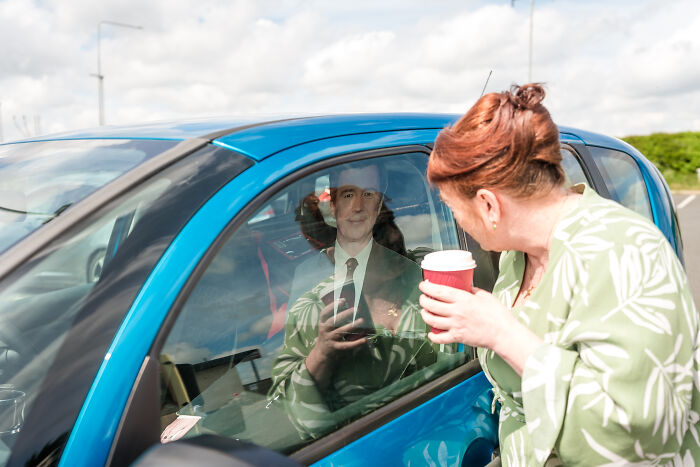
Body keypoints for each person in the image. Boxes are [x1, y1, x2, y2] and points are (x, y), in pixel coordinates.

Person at [419, 83, 700, 465]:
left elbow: (638, 433)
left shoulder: (626, 251)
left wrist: (502, 333)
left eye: (453, 208)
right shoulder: (516, 258)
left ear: (488, 205)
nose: (458, 222)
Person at [270, 162, 451, 439]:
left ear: (379, 205)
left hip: (441, 421)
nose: (357, 206)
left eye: (368, 194)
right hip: (358, 441)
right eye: (347, 194)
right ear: (333, 206)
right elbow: (282, 404)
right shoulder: (310, 290)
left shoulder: (425, 272)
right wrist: (322, 352)